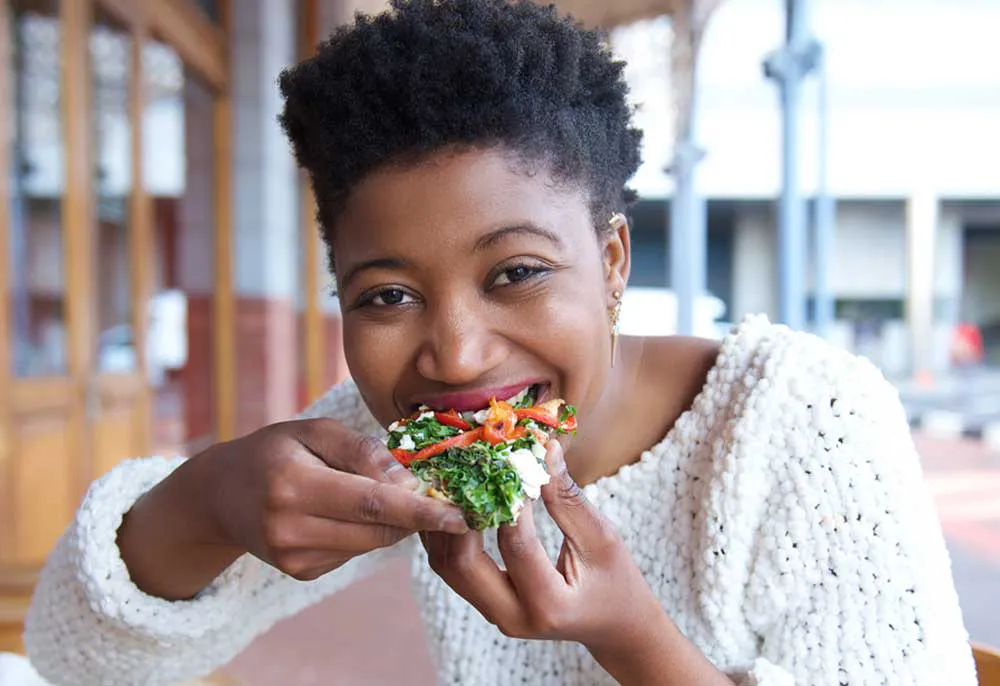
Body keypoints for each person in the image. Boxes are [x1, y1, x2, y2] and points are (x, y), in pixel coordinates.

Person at [24, 1, 976, 684]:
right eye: (387, 294)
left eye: (515, 272)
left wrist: (632, 638)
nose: (459, 356)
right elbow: (76, 660)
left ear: (610, 261)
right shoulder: (399, 444)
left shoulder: (804, 423)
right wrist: (202, 503)